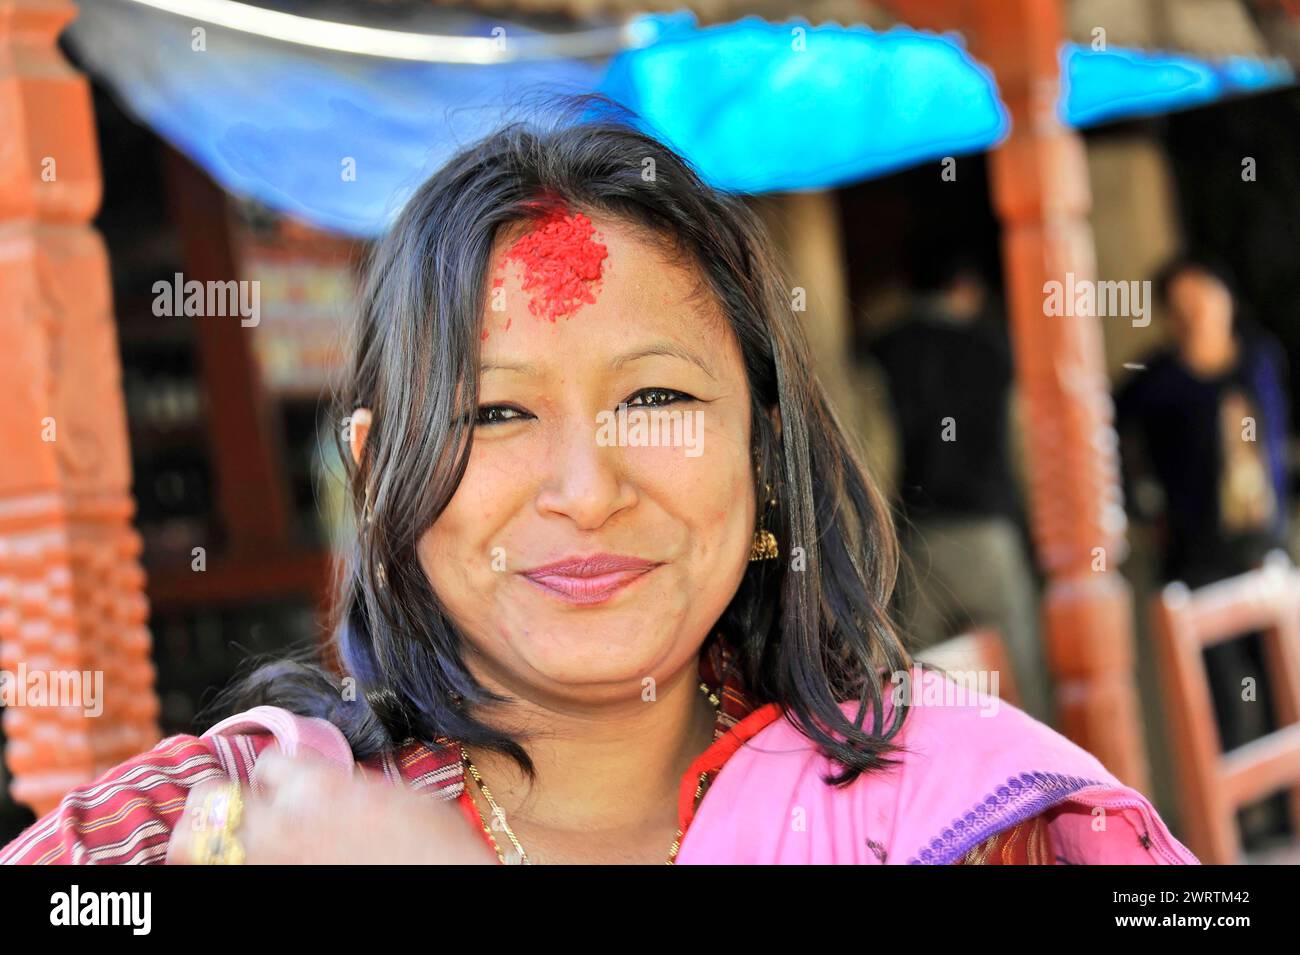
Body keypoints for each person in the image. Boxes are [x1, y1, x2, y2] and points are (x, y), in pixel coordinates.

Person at [0, 99, 1193, 866]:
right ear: (375, 478)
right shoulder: (209, 831)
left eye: (655, 399)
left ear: (760, 446)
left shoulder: (990, 819)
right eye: (494, 412)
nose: (583, 488)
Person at [1116, 255, 1291, 821]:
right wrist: (1140, 509)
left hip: (1263, 545)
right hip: (1197, 560)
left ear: (1226, 299)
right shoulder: (1156, 382)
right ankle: (1245, 821)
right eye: (1181, 307)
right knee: (1222, 696)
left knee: (1284, 679)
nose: (1195, 316)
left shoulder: (1261, 358)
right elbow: (1112, 435)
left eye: (1204, 300)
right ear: (1169, 316)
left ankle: (1291, 812)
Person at [868, 253, 1047, 722]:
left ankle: (955, 792)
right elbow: (1023, 445)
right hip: (989, 533)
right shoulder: (993, 348)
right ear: (966, 288)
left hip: (918, 538)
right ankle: (1042, 789)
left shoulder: (886, 349)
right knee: (1020, 683)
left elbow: (875, 450)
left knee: (929, 689)